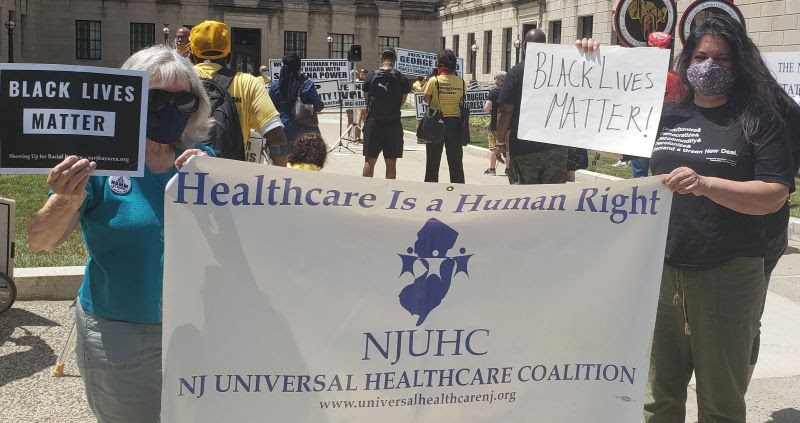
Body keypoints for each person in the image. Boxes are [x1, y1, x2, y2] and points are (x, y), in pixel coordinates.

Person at [610, 15, 793, 423]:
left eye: (722, 59)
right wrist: (588, 64)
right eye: (701, 56)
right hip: (662, 270)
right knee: (657, 398)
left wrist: (706, 184)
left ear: (739, 65)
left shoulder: (759, 120)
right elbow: (600, 138)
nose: (710, 66)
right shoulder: (667, 115)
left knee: (720, 403)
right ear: (687, 60)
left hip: (728, 272)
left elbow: (773, 195)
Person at [26, 45, 213, 422]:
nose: (170, 109)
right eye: (156, 99)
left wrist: (221, 186)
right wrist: (65, 198)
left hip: (197, 328)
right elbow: (41, 241)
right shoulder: (98, 164)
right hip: (122, 334)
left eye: (183, 101)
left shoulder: (204, 161)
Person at [748, 90, 800, 385]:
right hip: (698, 231)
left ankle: (729, 403)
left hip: (758, 232)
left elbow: (775, 187)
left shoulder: (768, 109)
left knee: (744, 321)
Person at [189, 20, 289, 165]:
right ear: (229, 57)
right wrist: (280, 175)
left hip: (182, 173)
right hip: (230, 174)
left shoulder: (179, 79)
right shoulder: (249, 83)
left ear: (192, 56)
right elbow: (276, 135)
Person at [495, 29, 571, 185]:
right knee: (553, 197)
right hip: (555, 148)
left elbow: (505, 111)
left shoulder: (516, 73)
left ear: (524, 46)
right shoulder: (560, 70)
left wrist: (500, 142)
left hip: (525, 149)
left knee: (524, 197)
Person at [629, 31, 683, 178]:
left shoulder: (640, 75)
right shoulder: (677, 78)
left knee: (640, 172)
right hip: (665, 128)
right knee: (663, 171)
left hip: (644, 126)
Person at [362, 48, 411, 179]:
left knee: (369, 160)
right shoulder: (402, 78)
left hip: (373, 123)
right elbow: (402, 101)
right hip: (393, 124)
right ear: (395, 60)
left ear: (381, 59)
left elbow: (367, 99)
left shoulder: (370, 76)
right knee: (391, 162)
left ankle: (365, 189)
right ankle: (389, 190)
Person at [423, 49, 466, 183]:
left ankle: (431, 187)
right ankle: (458, 188)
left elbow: (426, 99)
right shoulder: (461, 82)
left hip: (436, 123)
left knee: (432, 161)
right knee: (456, 161)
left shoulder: (434, 80)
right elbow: (461, 99)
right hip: (455, 124)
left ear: (440, 64)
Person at [268, 51, 325, 145]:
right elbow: (319, 106)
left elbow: (270, 108)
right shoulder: (307, 84)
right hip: (303, 131)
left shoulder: (274, 86)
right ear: (299, 67)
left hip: (281, 129)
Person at [483, 71, 506, 176]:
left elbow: (487, 108)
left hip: (495, 125)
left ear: (500, 80)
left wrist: (489, 108)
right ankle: (509, 169)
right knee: (508, 149)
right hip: (508, 125)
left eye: (495, 78)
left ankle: (492, 169)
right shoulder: (511, 92)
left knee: (493, 147)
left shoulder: (493, 92)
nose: (494, 80)